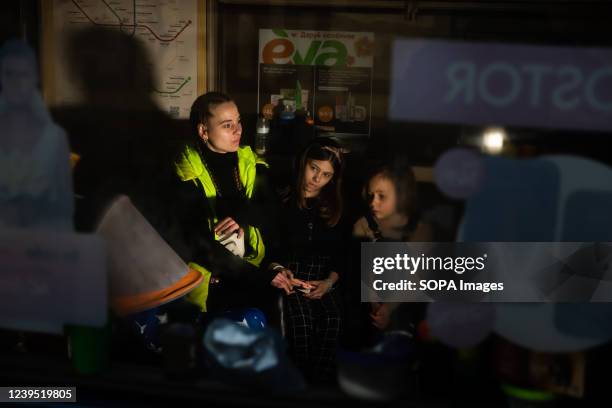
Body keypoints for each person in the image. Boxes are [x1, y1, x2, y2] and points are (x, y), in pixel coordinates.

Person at [174, 92, 303, 318]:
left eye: (238, 121)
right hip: (211, 281)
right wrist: (261, 276)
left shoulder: (251, 163)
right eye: (227, 125)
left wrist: (275, 265)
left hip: (254, 270)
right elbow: (198, 244)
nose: (238, 130)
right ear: (203, 131)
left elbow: (274, 220)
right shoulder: (185, 173)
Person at [268, 138, 347, 384]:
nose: (317, 179)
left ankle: (320, 385)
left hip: (323, 278)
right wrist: (280, 269)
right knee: (302, 323)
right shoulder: (281, 197)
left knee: (333, 319)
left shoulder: (335, 206)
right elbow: (269, 245)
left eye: (326, 175)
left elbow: (343, 253)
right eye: (314, 168)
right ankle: (298, 381)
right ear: (303, 163)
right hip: (292, 276)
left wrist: (329, 282)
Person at [0, 39, 73, 231]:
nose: (16, 83)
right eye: (9, 74)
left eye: (23, 75)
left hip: (40, 246)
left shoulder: (55, 138)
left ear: (35, 78)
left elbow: (66, 209)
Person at [353, 163, 432, 333]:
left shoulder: (420, 229)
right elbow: (363, 271)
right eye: (371, 195)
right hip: (367, 308)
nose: (373, 203)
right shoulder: (362, 225)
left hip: (407, 310)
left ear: (401, 196)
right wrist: (374, 305)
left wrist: (388, 308)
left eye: (382, 196)